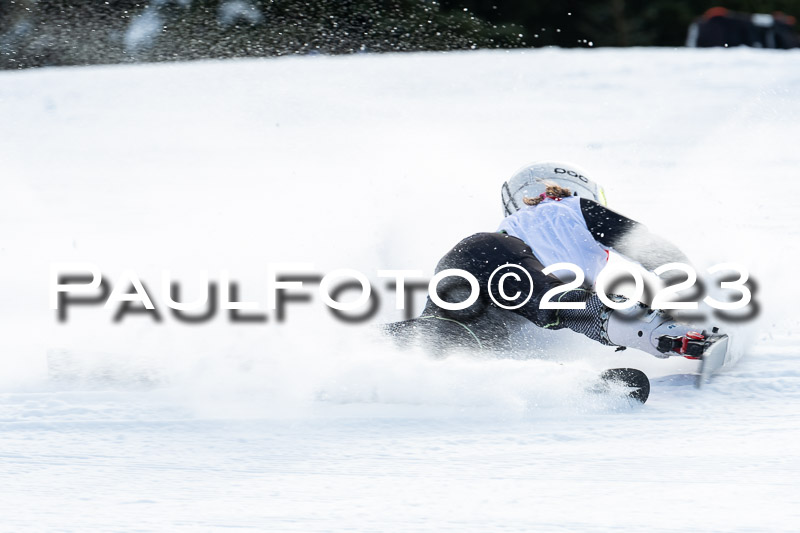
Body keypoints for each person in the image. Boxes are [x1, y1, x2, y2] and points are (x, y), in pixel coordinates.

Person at [385, 161, 722, 359]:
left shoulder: (515, 223)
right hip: (498, 258)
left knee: (448, 340)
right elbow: (649, 248)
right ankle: (671, 337)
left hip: (471, 272)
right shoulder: (575, 209)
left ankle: (362, 350)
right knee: (572, 305)